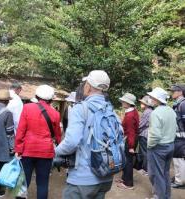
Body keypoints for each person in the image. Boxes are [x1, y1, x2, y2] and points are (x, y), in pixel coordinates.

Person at [55, 70, 114, 199]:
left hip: (83, 177)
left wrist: (56, 151)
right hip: (106, 176)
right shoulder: (110, 109)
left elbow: (71, 142)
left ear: (88, 86)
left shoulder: (80, 108)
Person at [15, 84, 61, 199]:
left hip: (28, 150)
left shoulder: (27, 108)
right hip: (46, 152)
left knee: (24, 182)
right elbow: (57, 135)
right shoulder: (55, 113)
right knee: (42, 183)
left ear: (36, 96)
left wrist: (18, 149)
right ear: (51, 99)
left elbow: (21, 130)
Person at [147, 87, 176, 199]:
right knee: (165, 173)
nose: (150, 99)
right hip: (170, 145)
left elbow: (155, 135)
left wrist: (150, 146)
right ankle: (166, 196)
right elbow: (175, 127)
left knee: (156, 175)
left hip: (158, 147)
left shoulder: (155, 113)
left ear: (156, 99)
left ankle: (160, 196)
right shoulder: (171, 111)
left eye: (152, 97)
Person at [117, 93, 139, 190]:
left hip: (129, 140)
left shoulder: (129, 115)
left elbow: (131, 132)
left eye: (124, 101)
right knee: (126, 160)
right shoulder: (133, 111)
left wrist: (130, 146)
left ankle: (128, 183)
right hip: (131, 139)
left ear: (128, 103)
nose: (122, 102)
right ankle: (124, 178)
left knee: (128, 161)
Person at [170, 84, 185, 189]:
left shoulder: (182, 104)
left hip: (181, 136)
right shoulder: (178, 103)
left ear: (180, 92)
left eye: (174, 91)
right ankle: (179, 177)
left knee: (179, 159)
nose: (172, 93)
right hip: (179, 135)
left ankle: (180, 182)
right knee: (178, 159)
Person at [138, 95, 154, 175]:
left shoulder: (147, 112)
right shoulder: (151, 111)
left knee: (145, 152)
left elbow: (141, 125)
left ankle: (146, 169)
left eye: (142, 102)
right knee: (147, 152)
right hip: (148, 134)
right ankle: (147, 168)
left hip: (144, 134)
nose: (141, 104)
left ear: (146, 104)